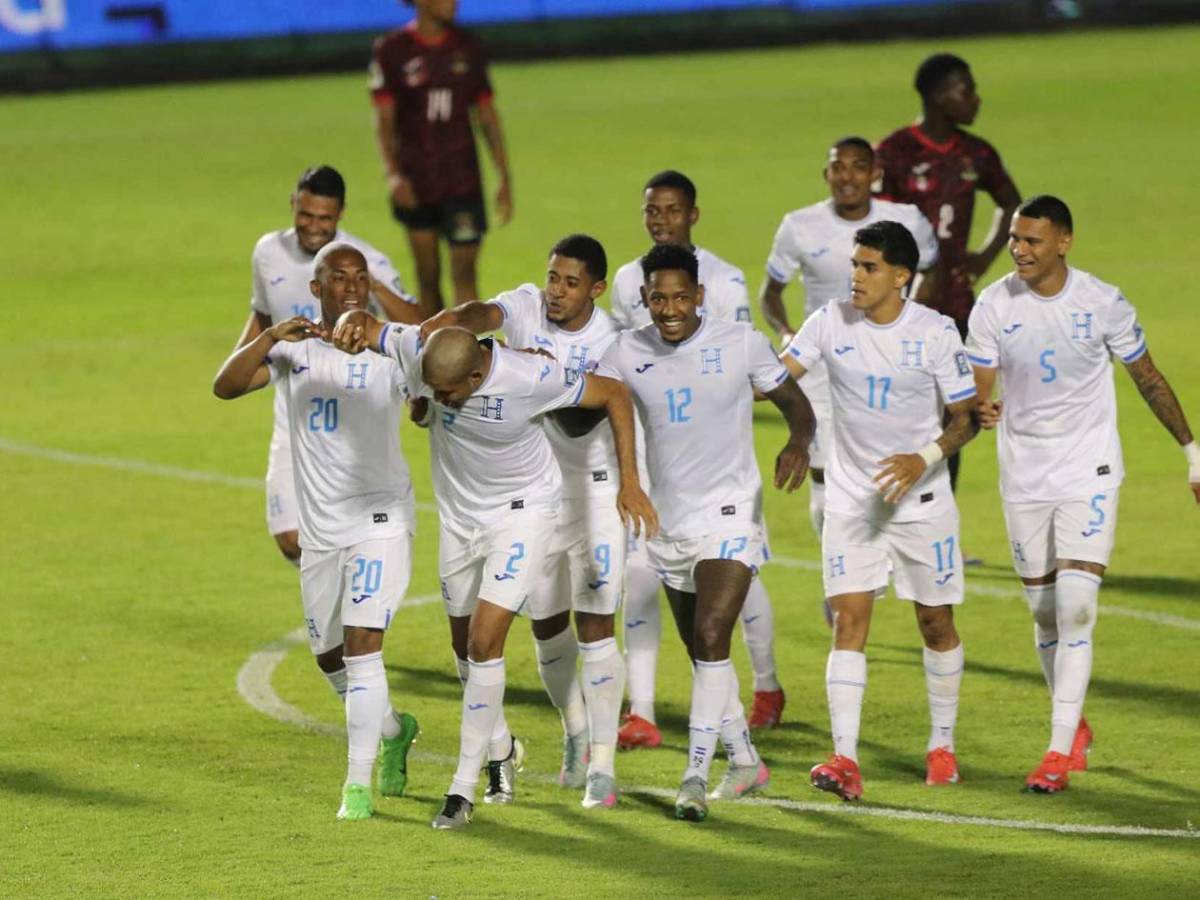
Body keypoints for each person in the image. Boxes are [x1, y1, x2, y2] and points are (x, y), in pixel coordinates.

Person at [332, 314, 656, 829]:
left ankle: (462, 789)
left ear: (477, 377)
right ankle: (502, 749)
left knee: (485, 643)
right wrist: (349, 322)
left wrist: (630, 483)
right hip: (460, 521)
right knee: (464, 651)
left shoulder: (530, 377)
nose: (437, 399)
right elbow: (367, 325)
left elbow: (615, 394)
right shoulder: (422, 349)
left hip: (523, 514)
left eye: (447, 392)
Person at [966, 195, 1200, 793]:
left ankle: (1056, 748)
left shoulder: (1101, 302)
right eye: (1016, 238)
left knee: (1075, 607)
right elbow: (979, 386)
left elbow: (1146, 376)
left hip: (1088, 471)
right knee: (1044, 611)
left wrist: (1192, 451)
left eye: (1033, 240)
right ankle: (1075, 725)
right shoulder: (993, 305)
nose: (1018, 249)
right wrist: (980, 407)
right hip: (1023, 474)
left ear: (1064, 242)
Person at [597, 242, 814, 822]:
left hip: (731, 510)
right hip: (666, 521)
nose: (670, 309)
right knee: (702, 649)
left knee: (714, 633)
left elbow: (796, 401)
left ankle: (694, 774)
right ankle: (746, 760)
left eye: (680, 297)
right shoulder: (623, 351)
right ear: (644, 299)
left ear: (700, 296)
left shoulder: (740, 343)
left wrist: (798, 441)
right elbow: (590, 407)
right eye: (657, 298)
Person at [417, 234, 632, 809]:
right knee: (546, 627)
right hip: (531, 494)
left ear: (596, 289)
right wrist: (458, 333)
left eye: (569, 282)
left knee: (596, 625)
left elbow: (585, 423)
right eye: (552, 278)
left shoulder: (609, 340)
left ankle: (603, 766)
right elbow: (480, 314)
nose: (555, 292)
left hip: (593, 492)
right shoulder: (525, 306)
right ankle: (575, 730)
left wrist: (536, 378)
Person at [214, 243, 420, 821]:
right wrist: (271, 335)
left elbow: (439, 383)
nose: (352, 286)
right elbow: (225, 386)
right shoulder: (294, 352)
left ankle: (357, 788)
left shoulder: (393, 350)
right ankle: (395, 730)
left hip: (381, 520)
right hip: (322, 532)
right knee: (328, 656)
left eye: (361, 277)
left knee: (362, 648)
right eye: (339, 278)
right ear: (317, 287)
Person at [780, 221, 980, 801]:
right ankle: (845, 758)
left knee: (935, 623)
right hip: (852, 501)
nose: (856, 277)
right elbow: (774, 377)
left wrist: (923, 457)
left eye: (869, 268)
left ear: (901, 277)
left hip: (921, 503)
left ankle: (942, 744)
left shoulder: (936, 333)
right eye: (855, 265)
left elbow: (965, 418)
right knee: (848, 622)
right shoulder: (829, 321)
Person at [610, 170, 787, 739]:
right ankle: (644, 710)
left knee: (733, 596)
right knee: (645, 587)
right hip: (654, 473)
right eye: (651, 211)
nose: (661, 219)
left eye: (672, 209)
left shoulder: (729, 283)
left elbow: (741, 365)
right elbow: (621, 364)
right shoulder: (624, 282)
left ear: (693, 213)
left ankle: (765, 685)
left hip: (720, 477)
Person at [232, 165, 420, 568]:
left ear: (341, 214)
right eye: (305, 215)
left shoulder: (364, 260)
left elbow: (417, 322)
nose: (313, 227)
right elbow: (263, 316)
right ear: (293, 205)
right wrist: (241, 360)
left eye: (325, 218)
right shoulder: (268, 252)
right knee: (289, 537)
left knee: (348, 528)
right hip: (296, 403)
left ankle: (352, 608)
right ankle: (336, 611)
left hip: (354, 404)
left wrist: (373, 284)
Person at [760, 137, 939, 548]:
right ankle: (839, 572)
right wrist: (787, 332)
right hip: (821, 363)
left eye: (859, 167)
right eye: (838, 167)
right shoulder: (799, 225)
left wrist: (907, 320)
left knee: (885, 464)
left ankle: (886, 552)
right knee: (823, 471)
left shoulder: (906, 219)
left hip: (892, 361)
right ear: (826, 175)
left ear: (875, 175)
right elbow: (770, 292)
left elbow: (931, 268)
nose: (848, 176)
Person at [876, 53, 1021, 502]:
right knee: (897, 411)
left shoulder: (975, 153)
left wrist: (982, 258)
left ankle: (942, 516)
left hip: (956, 306)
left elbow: (1013, 205)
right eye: (966, 89)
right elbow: (873, 227)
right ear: (938, 96)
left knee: (958, 413)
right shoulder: (895, 153)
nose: (976, 99)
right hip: (901, 308)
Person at [370, 0, 513, 312]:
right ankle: (433, 355)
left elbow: (486, 115)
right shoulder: (392, 50)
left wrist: (503, 175)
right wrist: (393, 175)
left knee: (464, 273)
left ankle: (473, 354)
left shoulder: (469, 47)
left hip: (463, 181)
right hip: (417, 182)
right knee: (427, 276)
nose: (454, 3)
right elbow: (384, 122)